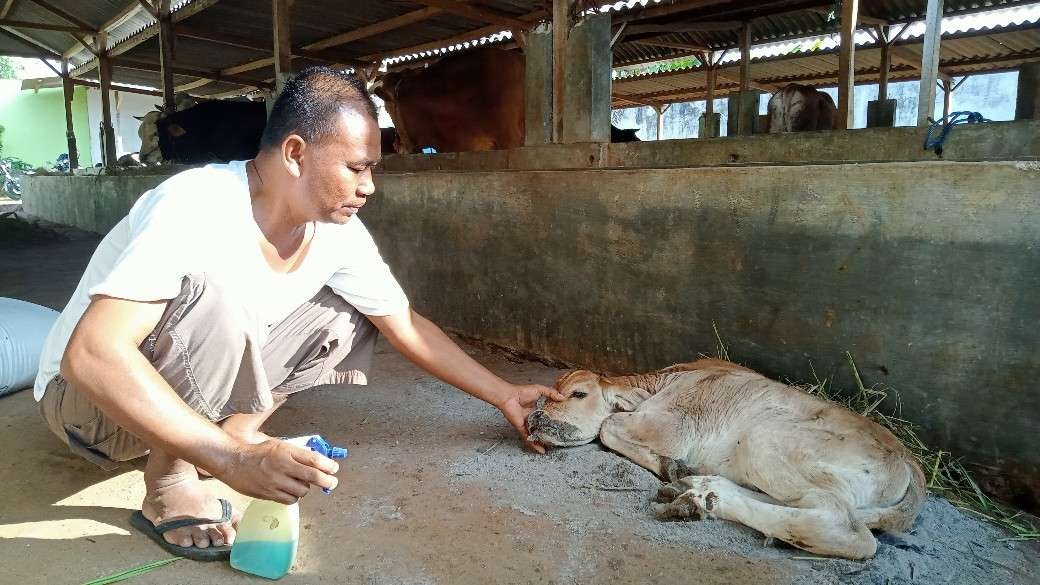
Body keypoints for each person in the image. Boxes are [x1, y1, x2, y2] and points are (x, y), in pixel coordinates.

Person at [33, 67, 563, 560]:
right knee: (218, 292)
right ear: (294, 153)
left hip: (170, 399)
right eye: (357, 167)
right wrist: (231, 465)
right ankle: (171, 483)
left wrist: (504, 393)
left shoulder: (337, 233)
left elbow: (404, 324)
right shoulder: (195, 204)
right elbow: (92, 355)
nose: (369, 186)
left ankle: (227, 436)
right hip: (90, 413)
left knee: (348, 313)